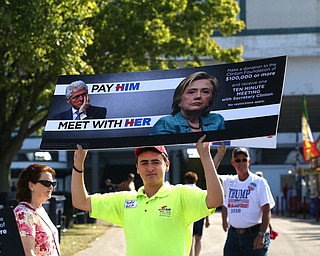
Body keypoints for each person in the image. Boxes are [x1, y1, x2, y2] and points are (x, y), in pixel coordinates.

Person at [71, 134, 223, 256]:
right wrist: (78, 164)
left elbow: (215, 199)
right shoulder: (126, 200)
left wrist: (205, 156)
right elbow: (81, 202)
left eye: (155, 162)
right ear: (137, 168)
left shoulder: (181, 195)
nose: (150, 167)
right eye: (144, 163)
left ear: (167, 165)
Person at [220, 147, 275, 256]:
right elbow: (210, 176)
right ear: (232, 162)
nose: (241, 163)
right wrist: (219, 155)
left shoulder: (260, 182)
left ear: (249, 161)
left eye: (244, 160)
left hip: (254, 234)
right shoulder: (229, 181)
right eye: (237, 160)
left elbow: (267, 210)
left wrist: (261, 234)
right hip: (233, 236)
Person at [150, 71, 225, 135]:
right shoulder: (166, 123)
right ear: (179, 100)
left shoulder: (217, 120)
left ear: (210, 100)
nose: (198, 96)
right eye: (191, 92)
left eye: (205, 92)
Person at [14, 164, 60, 256]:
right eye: (46, 183)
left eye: (53, 183)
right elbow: (28, 253)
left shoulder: (39, 209)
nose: (51, 187)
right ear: (31, 186)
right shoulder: (24, 213)